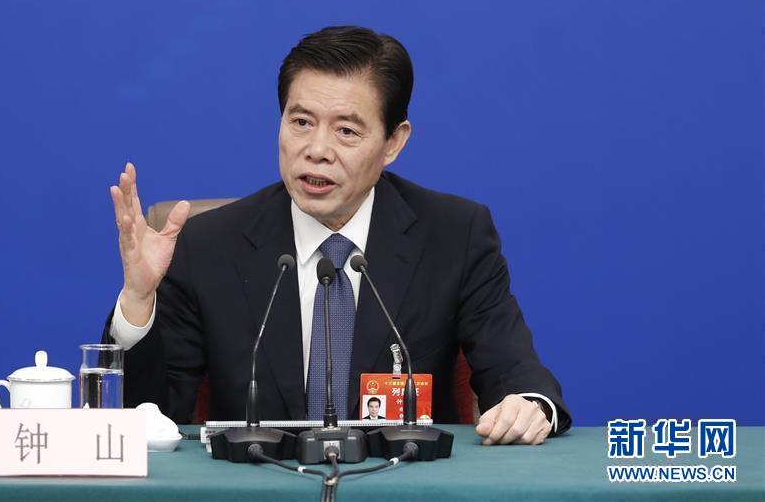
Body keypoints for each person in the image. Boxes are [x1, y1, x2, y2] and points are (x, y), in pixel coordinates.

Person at [105, 25, 571, 445]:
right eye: (300, 122)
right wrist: (138, 301)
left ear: (393, 142)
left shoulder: (453, 235)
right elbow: (152, 417)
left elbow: (516, 372)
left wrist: (528, 405)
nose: (317, 150)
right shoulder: (208, 245)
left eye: (346, 130)